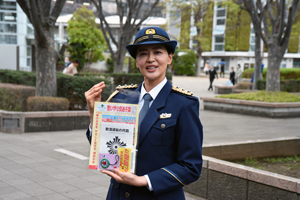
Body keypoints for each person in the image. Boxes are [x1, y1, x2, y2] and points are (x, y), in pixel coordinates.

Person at [84, 27, 203, 200]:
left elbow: (191, 166)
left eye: (158, 52)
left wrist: (143, 180)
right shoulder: (120, 98)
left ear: (170, 58)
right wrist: (94, 112)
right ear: (136, 61)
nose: (150, 59)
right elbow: (104, 148)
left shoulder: (184, 104)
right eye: (143, 54)